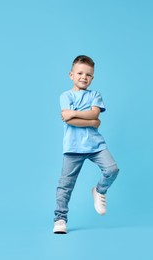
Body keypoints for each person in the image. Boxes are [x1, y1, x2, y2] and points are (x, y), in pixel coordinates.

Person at [53, 55, 119, 234]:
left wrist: (76, 115)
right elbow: (73, 121)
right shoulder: (65, 95)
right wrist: (91, 122)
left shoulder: (95, 95)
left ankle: (99, 191)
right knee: (65, 184)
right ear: (71, 75)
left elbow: (93, 114)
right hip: (73, 148)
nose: (84, 77)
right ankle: (60, 218)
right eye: (80, 73)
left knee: (112, 169)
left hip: (95, 145)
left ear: (92, 78)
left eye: (88, 75)